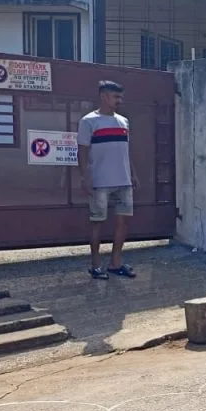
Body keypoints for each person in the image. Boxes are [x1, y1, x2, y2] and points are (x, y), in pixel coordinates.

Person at [78, 80, 139, 280]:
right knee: (97, 223)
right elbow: (82, 151)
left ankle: (116, 263)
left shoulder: (123, 121)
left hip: (124, 181)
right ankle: (96, 266)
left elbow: (126, 150)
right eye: (115, 97)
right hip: (100, 182)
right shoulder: (88, 121)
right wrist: (85, 177)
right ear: (104, 96)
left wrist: (133, 174)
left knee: (123, 222)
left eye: (120, 97)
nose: (119, 101)